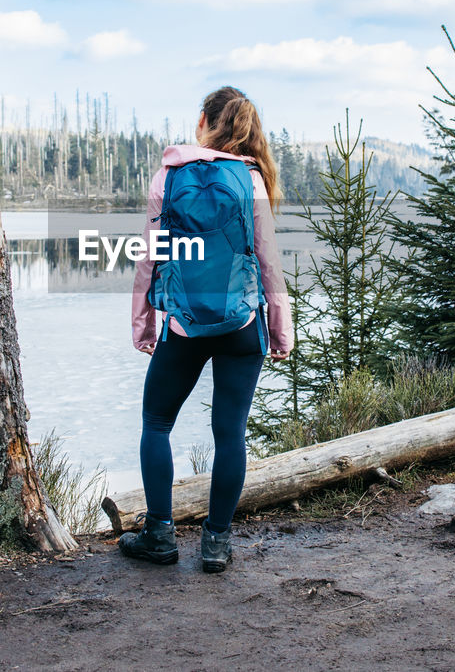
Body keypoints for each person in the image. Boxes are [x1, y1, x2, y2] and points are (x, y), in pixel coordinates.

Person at [122, 86, 293, 573]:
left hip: (183, 323)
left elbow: (148, 259)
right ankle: (216, 544)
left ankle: (160, 536)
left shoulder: (169, 175)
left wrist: (143, 321)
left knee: (157, 422)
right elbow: (268, 261)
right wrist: (280, 329)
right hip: (242, 321)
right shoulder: (251, 179)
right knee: (230, 433)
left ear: (203, 121)